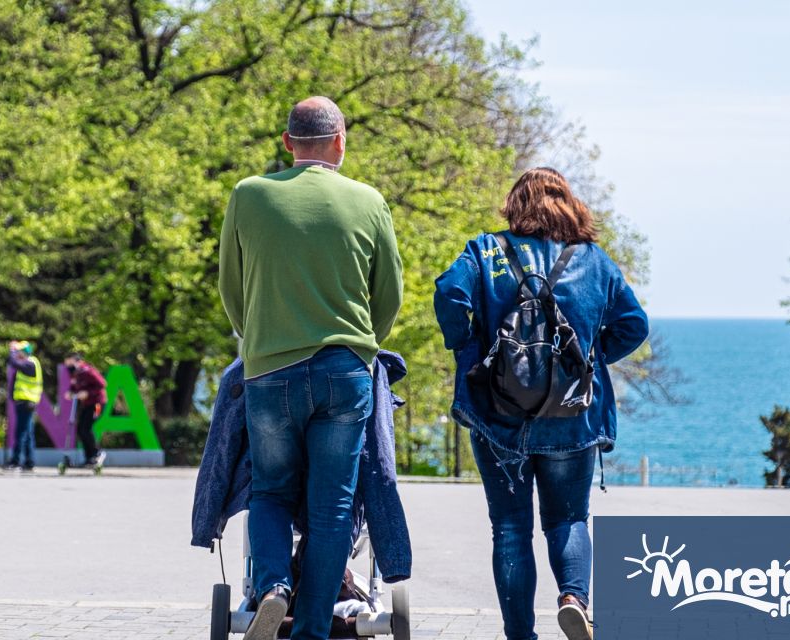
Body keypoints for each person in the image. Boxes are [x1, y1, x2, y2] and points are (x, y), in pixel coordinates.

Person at [433, 167, 649, 640]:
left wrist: (467, 346)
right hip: (572, 417)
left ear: (515, 205)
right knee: (568, 518)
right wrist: (587, 358)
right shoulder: (594, 261)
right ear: (569, 205)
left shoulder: (485, 250)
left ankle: (520, 635)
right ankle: (574, 599)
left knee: (510, 528)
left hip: (497, 414)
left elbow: (449, 292)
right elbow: (635, 324)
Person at [218, 96, 403, 640]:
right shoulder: (368, 201)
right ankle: (313, 630)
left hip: (270, 369)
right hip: (345, 370)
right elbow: (388, 295)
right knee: (333, 506)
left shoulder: (248, 196)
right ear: (340, 142)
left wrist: (255, 340)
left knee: (270, 491)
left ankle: (273, 587)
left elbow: (231, 286)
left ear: (287, 143)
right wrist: (367, 345)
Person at [64, 353, 107, 469]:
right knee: (80, 429)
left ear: (76, 361)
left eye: (69, 363)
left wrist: (88, 393)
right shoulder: (75, 374)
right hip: (87, 405)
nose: (68, 366)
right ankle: (89, 458)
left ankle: (97, 453)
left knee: (86, 427)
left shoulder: (87, 370)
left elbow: (102, 384)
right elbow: (75, 387)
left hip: (98, 405)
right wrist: (71, 392)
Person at [4, 340, 43, 472]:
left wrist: (11, 351)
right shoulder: (26, 364)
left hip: (27, 402)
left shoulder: (31, 363)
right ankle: (29, 461)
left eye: (19, 351)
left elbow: (12, 362)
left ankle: (15, 461)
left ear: (25, 352)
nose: (17, 354)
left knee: (20, 433)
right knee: (28, 433)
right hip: (24, 402)